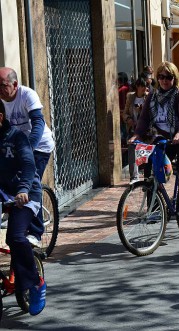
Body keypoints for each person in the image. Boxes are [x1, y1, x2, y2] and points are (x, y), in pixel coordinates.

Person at [130, 61, 179, 214]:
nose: (164, 80)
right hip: (167, 137)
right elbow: (144, 118)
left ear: (175, 78)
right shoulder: (153, 95)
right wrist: (137, 134)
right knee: (151, 164)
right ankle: (155, 208)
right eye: (161, 77)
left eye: (168, 77)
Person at [0, 67, 56, 247]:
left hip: (38, 145)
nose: (0, 90)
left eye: (3, 85)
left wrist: (28, 148)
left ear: (14, 84)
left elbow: (38, 122)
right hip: (16, 146)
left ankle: (36, 232)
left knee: (31, 180)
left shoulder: (27, 95)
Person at [0, 101, 46, 315]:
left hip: (26, 194)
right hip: (2, 194)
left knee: (16, 237)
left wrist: (24, 189)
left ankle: (35, 283)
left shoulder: (17, 137)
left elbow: (29, 165)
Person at [123, 77, 148, 183]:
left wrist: (142, 110)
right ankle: (134, 177)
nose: (144, 88)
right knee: (132, 149)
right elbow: (124, 113)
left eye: (145, 86)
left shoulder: (148, 97)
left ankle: (147, 175)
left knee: (144, 153)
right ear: (137, 86)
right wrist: (128, 119)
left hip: (146, 130)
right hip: (133, 129)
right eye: (142, 86)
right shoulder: (130, 97)